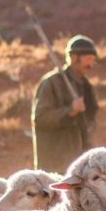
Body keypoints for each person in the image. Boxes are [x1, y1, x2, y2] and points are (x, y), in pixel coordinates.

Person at [31, 34, 99, 172]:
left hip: (80, 163)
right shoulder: (51, 83)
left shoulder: (87, 87)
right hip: (55, 164)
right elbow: (40, 118)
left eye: (93, 60)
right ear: (74, 57)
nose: (91, 64)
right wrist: (70, 110)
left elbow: (90, 120)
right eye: (88, 59)